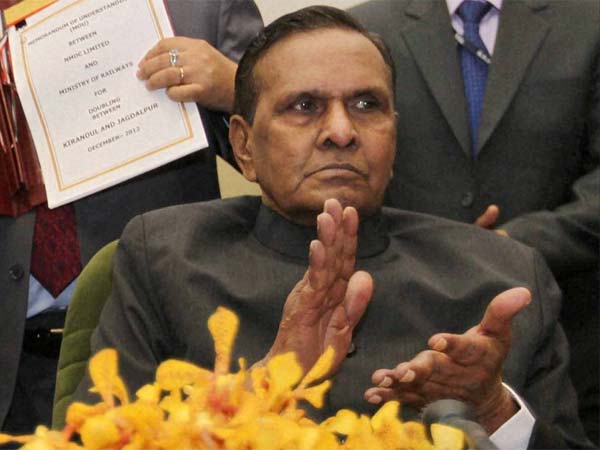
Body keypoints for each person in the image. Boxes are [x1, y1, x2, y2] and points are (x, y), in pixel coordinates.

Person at [74, 6, 592, 449]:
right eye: (305, 107)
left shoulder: (503, 277)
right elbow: (89, 440)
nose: (342, 132)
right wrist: (260, 391)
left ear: (394, 134)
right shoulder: (167, 258)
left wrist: (494, 411)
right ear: (244, 147)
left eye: (367, 105)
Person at [0, 0, 262, 437]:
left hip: (162, 367)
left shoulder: (203, 8)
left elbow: (303, 168)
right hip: (13, 379)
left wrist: (237, 90)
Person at [348, 0, 600, 443]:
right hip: (394, 350)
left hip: (571, 345)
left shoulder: (588, 22)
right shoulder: (364, 28)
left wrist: (509, 243)